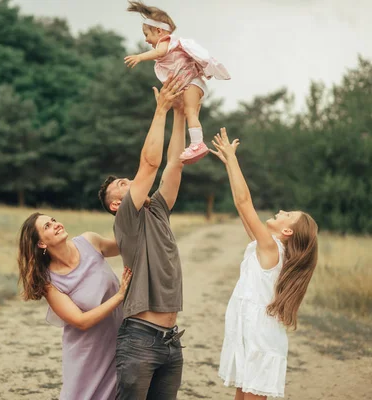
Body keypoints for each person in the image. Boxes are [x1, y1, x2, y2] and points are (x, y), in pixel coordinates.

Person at [209, 128, 319, 399]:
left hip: (260, 338)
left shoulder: (271, 249)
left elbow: (245, 203)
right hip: (249, 333)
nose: (281, 211)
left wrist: (233, 160)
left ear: (287, 232)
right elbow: (241, 207)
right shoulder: (265, 247)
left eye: (287, 214)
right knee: (240, 394)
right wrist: (229, 167)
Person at [98, 73, 186, 399]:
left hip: (170, 340)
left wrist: (179, 113)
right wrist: (160, 110)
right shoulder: (126, 220)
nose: (129, 181)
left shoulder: (158, 209)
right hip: (140, 338)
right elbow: (150, 164)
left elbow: (174, 165)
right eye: (122, 184)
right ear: (116, 204)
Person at [17, 212, 132, 400]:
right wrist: (120, 296)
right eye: (47, 226)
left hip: (121, 341)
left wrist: (131, 211)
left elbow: (125, 247)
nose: (55, 224)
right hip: (87, 354)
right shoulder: (49, 282)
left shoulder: (89, 241)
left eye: (53, 220)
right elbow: (81, 321)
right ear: (41, 244)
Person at [124, 1, 231, 165]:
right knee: (188, 112)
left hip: (193, 83)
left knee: (190, 112)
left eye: (147, 35)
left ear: (159, 31)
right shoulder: (169, 45)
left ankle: (197, 144)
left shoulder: (165, 42)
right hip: (192, 84)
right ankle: (196, 143)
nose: (146, 40)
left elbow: (159, 52)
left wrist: (140, 57)